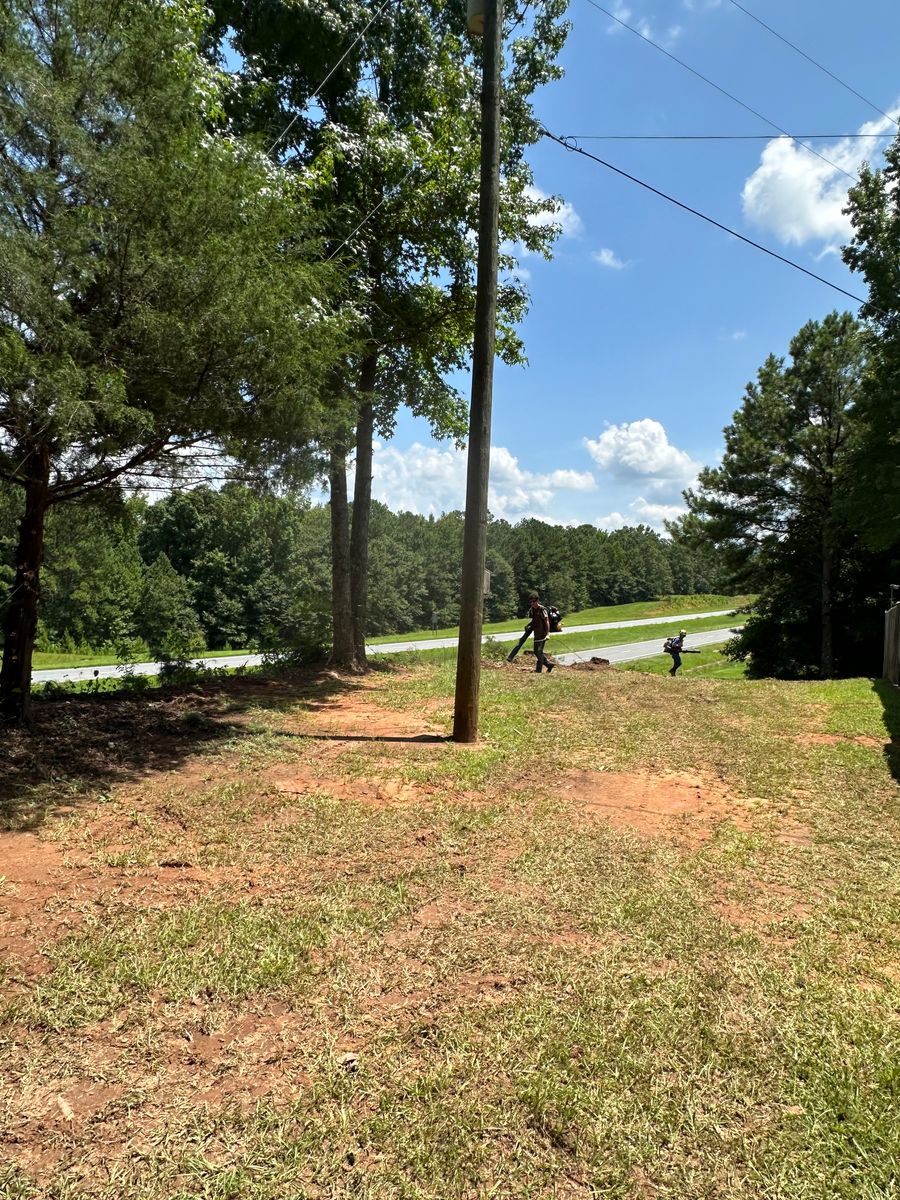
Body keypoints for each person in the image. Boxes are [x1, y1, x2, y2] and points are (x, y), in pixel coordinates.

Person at [528, 593, 554, 673]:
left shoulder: (542, 609)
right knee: (538, 652)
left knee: (537, 651)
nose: (532, 603)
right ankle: (544, 667)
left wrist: (547, 634)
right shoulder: (532, 610)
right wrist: (528, 625)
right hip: (537, 634)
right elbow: (534, 620)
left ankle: (544, 667)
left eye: (534, 601)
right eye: (531, 601)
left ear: (537, 601)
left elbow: (547, 622)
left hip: (542, 634)